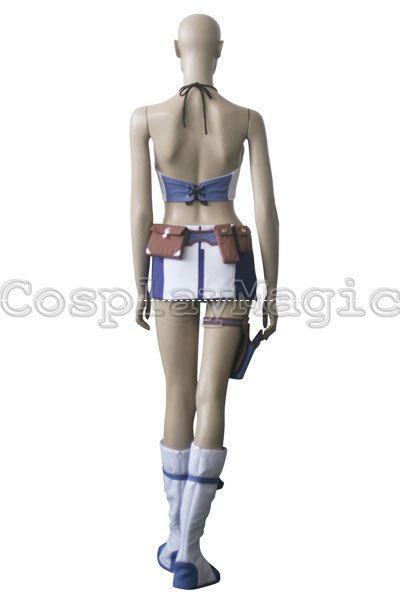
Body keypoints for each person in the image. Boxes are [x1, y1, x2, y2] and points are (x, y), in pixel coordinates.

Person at [130, 13, 279, 589]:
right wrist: (273, 288)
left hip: (167, 258)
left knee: (177, 391)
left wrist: (138, 281)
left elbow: (140, 210)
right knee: (212, 394)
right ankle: (190, 550)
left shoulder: (146, 118)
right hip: (228, 255)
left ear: (177, 49)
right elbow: (265, 209)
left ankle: (176, 541)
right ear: (220, 50)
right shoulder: (247, 119)